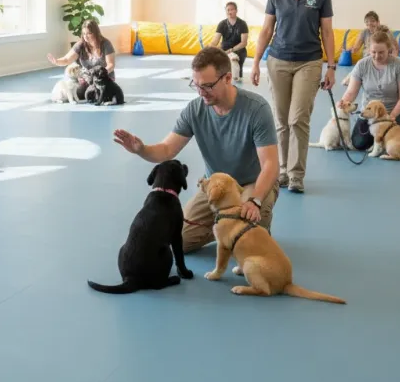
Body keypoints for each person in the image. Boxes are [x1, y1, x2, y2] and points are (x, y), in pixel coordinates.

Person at [114, 47, 280, 253]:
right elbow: (166, 150)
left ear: (227, 78)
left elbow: (271, 164)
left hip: (252, 183)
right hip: (216, 185)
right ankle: (226, 225)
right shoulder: (195, 109)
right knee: (179, 241)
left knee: (252, 242)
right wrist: (141, 149)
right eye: (197, 85)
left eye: (208, 86)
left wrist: (255, 200)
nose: (201, 93)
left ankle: (251, 222)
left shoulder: (256, 109)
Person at [251, 0, 335, 194]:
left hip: (309, 62)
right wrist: (255, 62)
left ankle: (297, 175)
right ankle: (283, 171)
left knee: (298, 118)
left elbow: (327, 32)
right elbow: (266, 30)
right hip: (278, 61)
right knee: (281, 120)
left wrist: (331, 66)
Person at [339, 29, 400, 151]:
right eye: (373, 52)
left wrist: (391, 116)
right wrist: (342, 102)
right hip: (369, 113)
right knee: (358, 144)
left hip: (394, 112)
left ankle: (380, 138)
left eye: (381, 52)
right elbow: (351, 92)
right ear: (369, 50)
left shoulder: (399, 65)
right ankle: (379, 138)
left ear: (389, 50)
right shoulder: (362, 64)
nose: (377, 56)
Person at [47, 19, 115, 100]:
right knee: (76, 92)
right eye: (84, 33)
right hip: (87, 78)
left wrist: (99, 75)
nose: (86, 36)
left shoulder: (106, 44)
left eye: (89, 33)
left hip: (103, 78)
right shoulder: (80, 45)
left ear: (96, 33)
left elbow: (111, 64)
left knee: (97, 94)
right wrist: (57, 61)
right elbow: (67, 59)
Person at [343, 14, 400, 86]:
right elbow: (356, 47)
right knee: (361, 66)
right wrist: (351, 49)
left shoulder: (386, 32)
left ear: (378, 22)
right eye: (367, 22)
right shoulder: (364, 32)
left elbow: (395, 48)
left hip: (384, 57)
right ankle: (352, 78)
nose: (369, 23)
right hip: (369, 57)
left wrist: (394, 59)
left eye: (372, 21)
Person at [210, 1, 249, 81]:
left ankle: (235, 76)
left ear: (236, 11)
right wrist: (209, 48)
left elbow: (244, 43)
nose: (229, 12)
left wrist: (231, 51)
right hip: (224, 49)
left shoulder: (242, 24)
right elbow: (215, 41)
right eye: (228, 10)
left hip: (238, 49)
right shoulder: (222, 24)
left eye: (232, 10)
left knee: (235, 72)